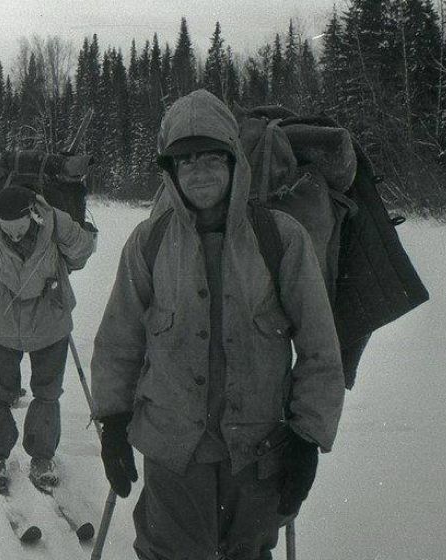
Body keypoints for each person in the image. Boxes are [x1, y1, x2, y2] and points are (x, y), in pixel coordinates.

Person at [90, 90, 345, 560]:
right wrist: (112, 422)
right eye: (187, 161)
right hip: (172, 452)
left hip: (257, 452)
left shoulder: (281, 238)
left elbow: (319, 348)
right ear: (171, 173)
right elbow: (119, 341)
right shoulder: (149, 242)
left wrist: (307, 439)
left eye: (212, 157)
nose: (201, 172)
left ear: (234, 163)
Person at [0, 186, 97, 490]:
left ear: (32, 213)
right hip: (2, 324)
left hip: (49, 322)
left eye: (20, 229)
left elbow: (82, 250)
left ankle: (42, 457)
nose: (15, 235)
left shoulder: (55, 221)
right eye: (8, 230)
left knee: (47, 392)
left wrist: (78, 243)